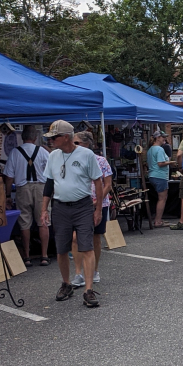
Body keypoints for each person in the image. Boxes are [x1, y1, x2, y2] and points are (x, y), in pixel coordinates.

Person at [40, 120, 103, 308]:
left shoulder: (86, 154)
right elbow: (49, 184)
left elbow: (98, 182)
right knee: (61, 248)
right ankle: (66, 283)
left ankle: (88, 289)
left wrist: (98, 208)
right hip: (60, 206)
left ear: (65, 137)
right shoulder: (53, 156)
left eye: (54, 137)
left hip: (83, 205)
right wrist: (44, 209)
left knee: (86, 246)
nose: (51, 141)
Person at [3, 125, 51, 267]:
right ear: (35, 138)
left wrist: (7, 195)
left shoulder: (14, 153)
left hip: (23, 188)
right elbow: (52, 171)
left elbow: (9, 177)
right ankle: (44, 255)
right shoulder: (42, 151)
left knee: (24, 222)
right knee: (43, 221)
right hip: (41, 188)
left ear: (22, 137)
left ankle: (27, 256)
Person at [72, 132, 112, 287]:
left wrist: (98, 200)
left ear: (86, 144)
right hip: (78, 203)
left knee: (96, 237)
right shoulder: (71, 161)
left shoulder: (100, 161)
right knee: (75, 238)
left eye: (77, 143)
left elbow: (108, 184)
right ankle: (78, 273)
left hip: (98, 203)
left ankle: (94, 270)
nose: (74, 146)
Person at [147, 131, 177, 227]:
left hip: (152, 175)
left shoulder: (150, 149)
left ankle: (157, 219)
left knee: (160, 198)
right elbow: (160, 163)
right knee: (162, 199)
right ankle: (158, 221)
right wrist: (171, 162)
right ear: (158, 138)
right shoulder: (159, 149)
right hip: (160, 176)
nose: (164, 139)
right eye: (163, 137)